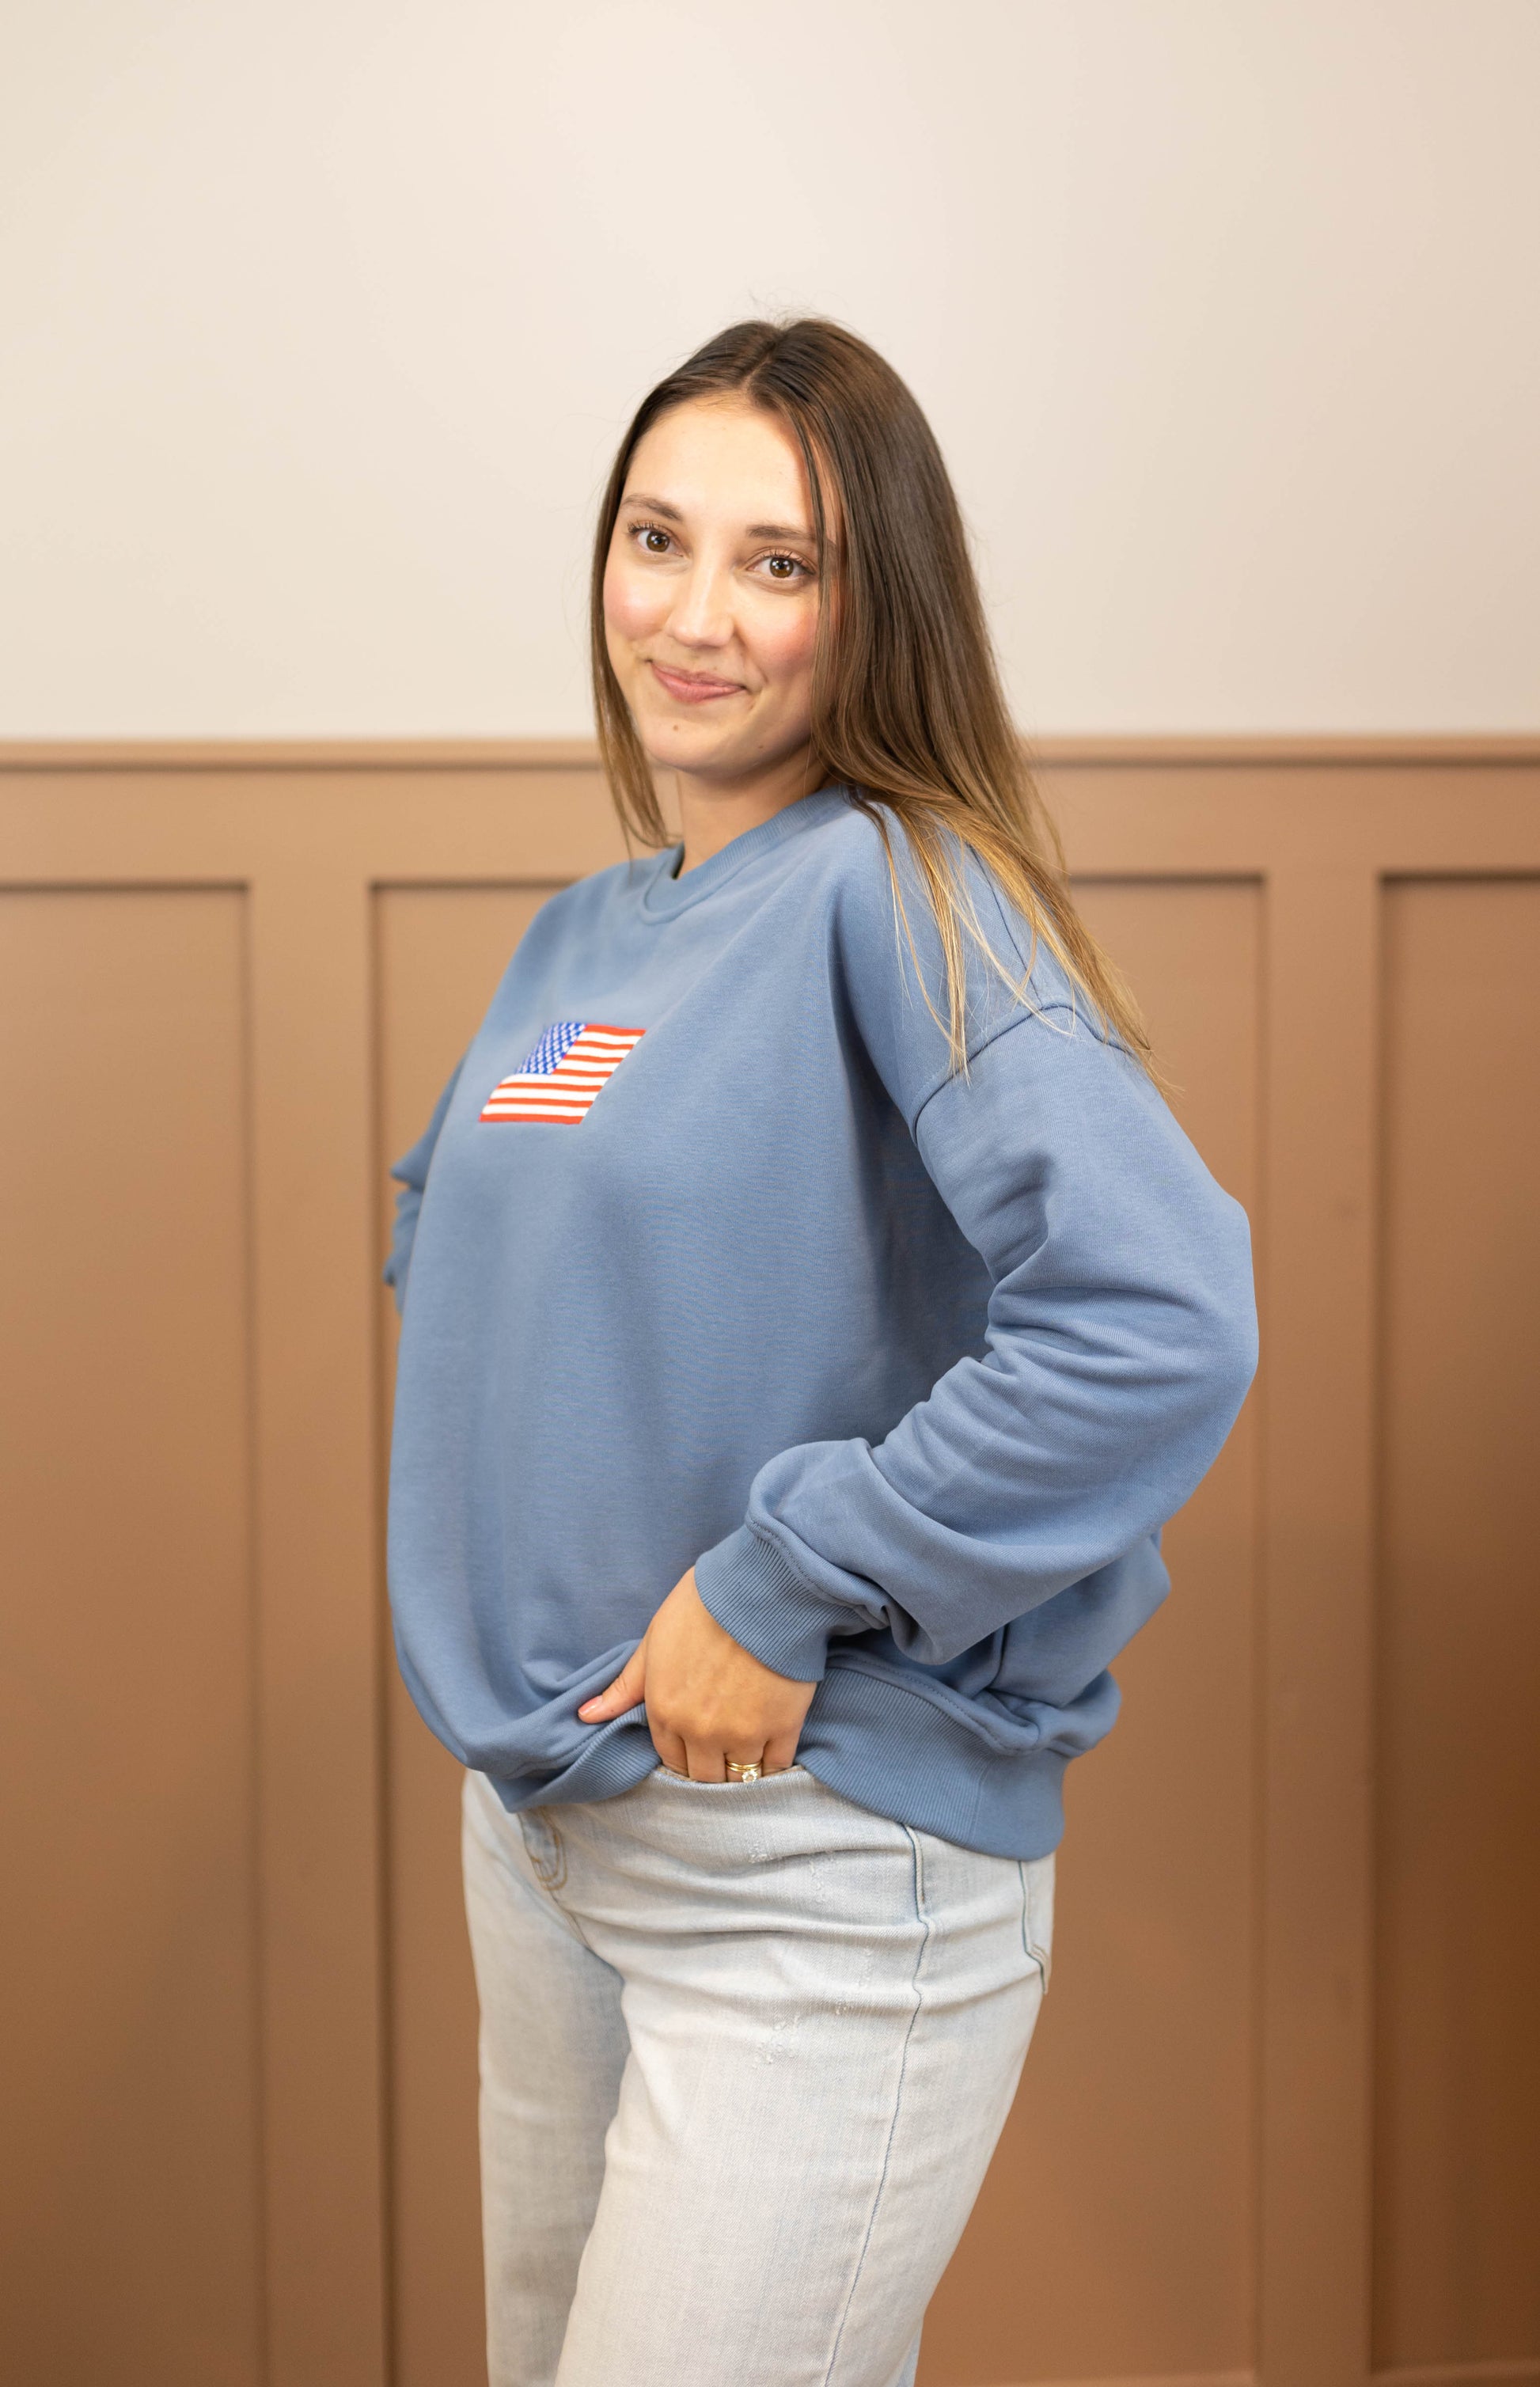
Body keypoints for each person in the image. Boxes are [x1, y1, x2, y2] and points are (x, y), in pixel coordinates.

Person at [384, 317, 1257, 2387]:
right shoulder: (589, 934)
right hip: (547, 1835)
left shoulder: (905, 888)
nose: (692, 616)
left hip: (805, 1863)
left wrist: (784, 1580)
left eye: (777, 564)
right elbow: (506, 1239)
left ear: (877, 609)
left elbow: (1158, 1316)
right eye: (653, 538)